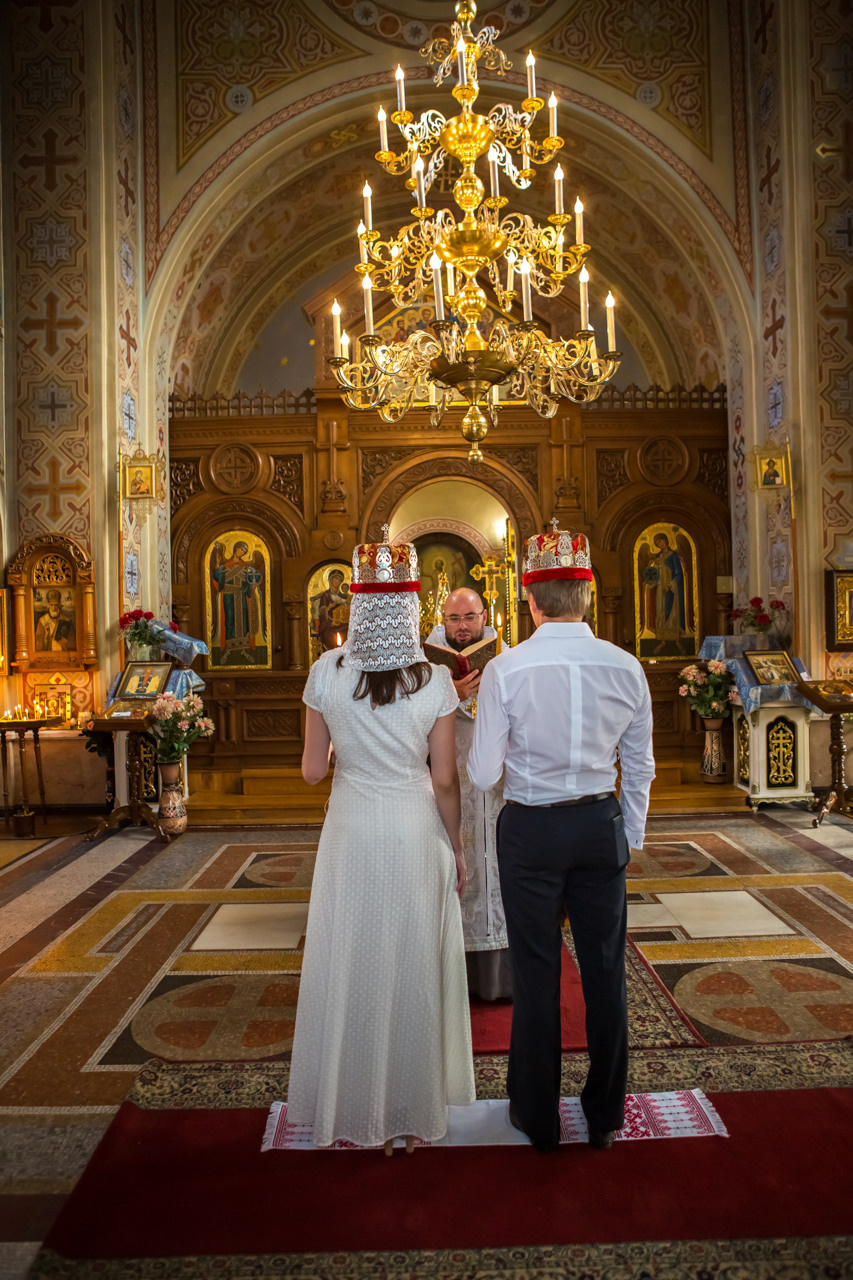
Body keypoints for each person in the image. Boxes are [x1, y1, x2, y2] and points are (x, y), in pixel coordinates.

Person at [468, 524, 655, 1152]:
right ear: (588, 594)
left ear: (530, 599)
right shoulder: (626, 666)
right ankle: (605, 1116)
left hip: (531, 829)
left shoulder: (506, 669)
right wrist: (628, 835)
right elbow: (641, 764)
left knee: (535, 969)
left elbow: (483, 774)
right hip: (600, 824)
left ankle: (538, 1117)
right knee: (605, 970)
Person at [288, 533, 475, 1152]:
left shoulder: (326, 672)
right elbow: (444, 780)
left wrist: (346, 742)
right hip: (414, 829)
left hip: (351, 830)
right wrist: (458, 847)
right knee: (412, 963)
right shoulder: (435, 680)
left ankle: (351, 1105)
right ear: (412, 608)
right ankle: (411, 1115)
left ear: (359, 606)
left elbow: (312, 772)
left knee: (352, 959)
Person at [426, 588, 510, 999]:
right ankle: (449, 973)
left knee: (496, 863)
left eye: (470, 617)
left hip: (497, 786)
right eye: (454, 618)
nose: (462, 626)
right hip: (447, 777)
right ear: (442, 619)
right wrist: (451, 694)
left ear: (484, 617)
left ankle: (500, 974)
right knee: (452, 866)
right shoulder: (424, 665)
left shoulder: (505, 657)